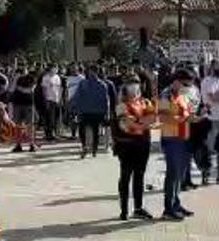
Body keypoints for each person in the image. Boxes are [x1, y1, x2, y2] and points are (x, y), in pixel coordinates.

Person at [113, 75, 155, 221]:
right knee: (125, 176)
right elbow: (125, 124)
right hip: (126, 145)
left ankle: (138, 207)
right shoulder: (121, 104)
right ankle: (124, 209)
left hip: (142, 143)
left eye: (137, 83)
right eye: (131, 83)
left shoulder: (145, 102)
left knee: (139, 175)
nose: (135, 87)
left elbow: (152, 119)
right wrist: (141, 122)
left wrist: (138, 122)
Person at [159, 69, 196, 221]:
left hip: (183, 137)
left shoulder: (183, 95)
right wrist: (183, 119)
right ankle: (168, 208)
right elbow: (163, 117)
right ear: (177, 81)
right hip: (171, 138)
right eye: (185, 84)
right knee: (173, 173)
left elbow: (186, 113)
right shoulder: (165, 95)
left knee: (180, 173)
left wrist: (194, 117)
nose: (187, 87)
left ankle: (176, 203)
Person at [71, 65, 110, 158]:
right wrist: (106, 112)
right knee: (91, 130)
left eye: (92, 71)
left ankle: (88, 147)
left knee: (85, 129)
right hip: (93, 111)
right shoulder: (100, 84)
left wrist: (74, 108)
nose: (91, 73)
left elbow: (77, 97)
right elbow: (106, 100)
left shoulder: (85, 83)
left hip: (88, 110)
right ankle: (91, 148)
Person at [9, 65, 37, 152]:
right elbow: (11, 90)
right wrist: (15, 79)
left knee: (30, 125)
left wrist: (19, 88)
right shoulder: (17, 79)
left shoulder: (32, 78)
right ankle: (18, 144)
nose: (23, 71)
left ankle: (31, 144)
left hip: (28, 104)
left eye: (24, 69)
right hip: (17, 104)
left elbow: (29, 90)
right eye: (21, 70)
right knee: (18, 125)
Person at [40, 64, 62, 140]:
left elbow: (59, 88)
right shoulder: (46, 77)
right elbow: (44, 89)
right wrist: (45, 99)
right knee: (50, 118)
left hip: (56, 99)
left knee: (56, 117)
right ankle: (49, 134)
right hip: (49, 99)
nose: (56, 70)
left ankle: (55, 132)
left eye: (56, 68)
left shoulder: (57, 77)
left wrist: (59, 98)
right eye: (54, 68)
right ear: (51, 69)